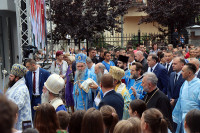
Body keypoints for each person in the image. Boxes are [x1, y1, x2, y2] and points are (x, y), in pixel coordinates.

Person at [173, 63, 200, 133]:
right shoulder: (184, 83)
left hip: (195, 117)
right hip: (183, 116)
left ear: (189, 73)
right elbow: (180, 100)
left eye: (183, 71)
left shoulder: (198, 84)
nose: (181, 73)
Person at [6, 64, 32, 130]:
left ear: (17, 78)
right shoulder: (14, 86)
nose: (9, 77)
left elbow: (17, 106)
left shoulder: (21, 89)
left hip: (21, 123)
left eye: (11, 76)